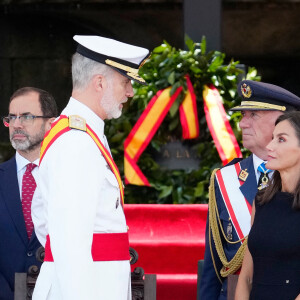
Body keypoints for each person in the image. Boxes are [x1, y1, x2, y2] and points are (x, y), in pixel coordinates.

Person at [32, 35, 150, 300]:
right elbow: (70, 244)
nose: (130, 92)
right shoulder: (77, 142)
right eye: (125, 81)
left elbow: (42, 217)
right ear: (100, 83)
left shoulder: (82, 135)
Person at [199, 80, 300, 300]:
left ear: (280, 120)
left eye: (252, 115)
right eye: (243, 115)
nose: (243, 124)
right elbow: (213, 266)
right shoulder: (225, 179)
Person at [235, 111, 300, 300]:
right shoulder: (261, 201)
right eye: (272, 138)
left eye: (281, 140)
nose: (269, 146)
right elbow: (246, 278)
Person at [0, 87, 57, 300]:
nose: (16, 124)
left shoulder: (69, 180)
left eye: (27, 116)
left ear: (50, 124)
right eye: (11, 117)